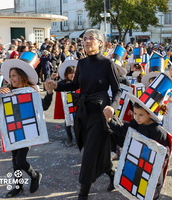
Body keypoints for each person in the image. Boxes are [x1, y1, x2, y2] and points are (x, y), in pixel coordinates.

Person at [46, 29, 121, 200]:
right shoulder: (82, 63)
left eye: (91, 38)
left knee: (89, 155)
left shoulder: (107, 63)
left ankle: (83, 194)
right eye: (85, 39)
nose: (87, 41)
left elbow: (117, 90)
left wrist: (113, 107)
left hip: (100, 114)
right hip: (84, 113)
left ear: (100, 43)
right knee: (93, 150)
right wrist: (56, 85)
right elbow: (75, 86)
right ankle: (111, 173)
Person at [0, 53, 54, 198]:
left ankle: (35, 175)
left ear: (22, 77)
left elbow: (43, 106)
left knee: (21, 160)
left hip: (27, 130)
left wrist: (49, 93)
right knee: (15, 162)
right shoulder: (6, 91)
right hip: (12, 130)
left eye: (14, 76)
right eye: (10, 76)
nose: (11, 78)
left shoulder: (31, 91)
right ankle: (18, 187)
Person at [105, 102, 169, 200]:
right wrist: (109, 120)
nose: (137, 117)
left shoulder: (158, 131)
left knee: (152, 192)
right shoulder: (135, 123)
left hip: (151, 168)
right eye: (135, 114)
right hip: (137, 164)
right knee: (137, 188)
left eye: (141, 115)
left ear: (149, 114)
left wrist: (155, 168)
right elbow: (121, 131)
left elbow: (164, 153)